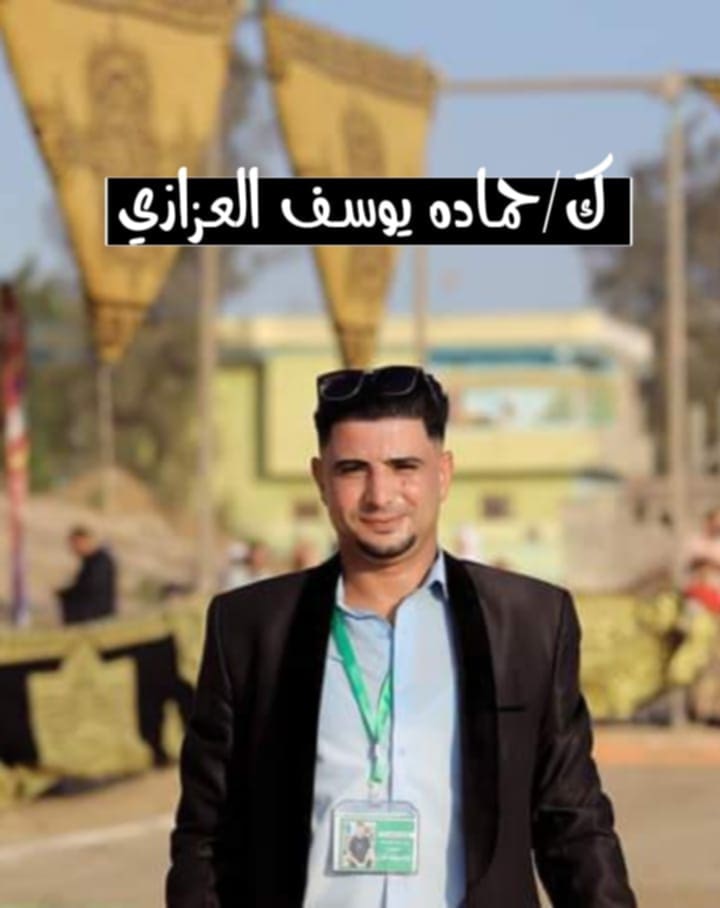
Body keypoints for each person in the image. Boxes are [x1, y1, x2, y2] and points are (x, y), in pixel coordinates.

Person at [167, 365, 635, 908]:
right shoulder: (250, 627)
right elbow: (206, 837)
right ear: (320, 479)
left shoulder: (528, 622)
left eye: (403, 466)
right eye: (353, 469)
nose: (380, 494)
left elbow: (573, 822)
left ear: (443, 473)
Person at [56, 526, 117, 624]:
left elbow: (91, 589)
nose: (73, 548)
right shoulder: (90, 562)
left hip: (97, 617)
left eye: (75, 544)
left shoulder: (100, 561)